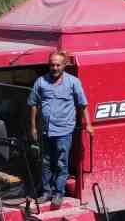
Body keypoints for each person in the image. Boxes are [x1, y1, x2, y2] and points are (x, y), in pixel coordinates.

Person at [27, 49, 91, 208]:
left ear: (64, 66)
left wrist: (89, 124)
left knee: (62, 163)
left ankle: (58, 193)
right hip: (45, 131)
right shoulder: (41, 82)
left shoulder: (73, 82)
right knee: (46, 162)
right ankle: (46, 192)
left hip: (64, 131)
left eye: (58, 65)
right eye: (52, 65)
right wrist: (33, 128)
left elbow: (82, 105)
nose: (54, 68)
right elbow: (33, 104)